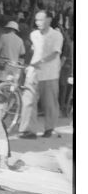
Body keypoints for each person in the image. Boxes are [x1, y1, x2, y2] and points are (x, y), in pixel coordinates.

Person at [18, 9, 63, 139]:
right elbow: (33, 50)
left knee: (50, 103)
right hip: (34, 72)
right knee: (28, 100)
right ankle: (28, 130)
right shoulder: (34, 35)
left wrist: (40, 61)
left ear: (49, 19)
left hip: (50, 73)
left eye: (41, 19)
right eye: (37, 20)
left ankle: (49, 129)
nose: (38, 22)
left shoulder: (56, 35)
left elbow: (55, 53)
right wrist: (29, 65)